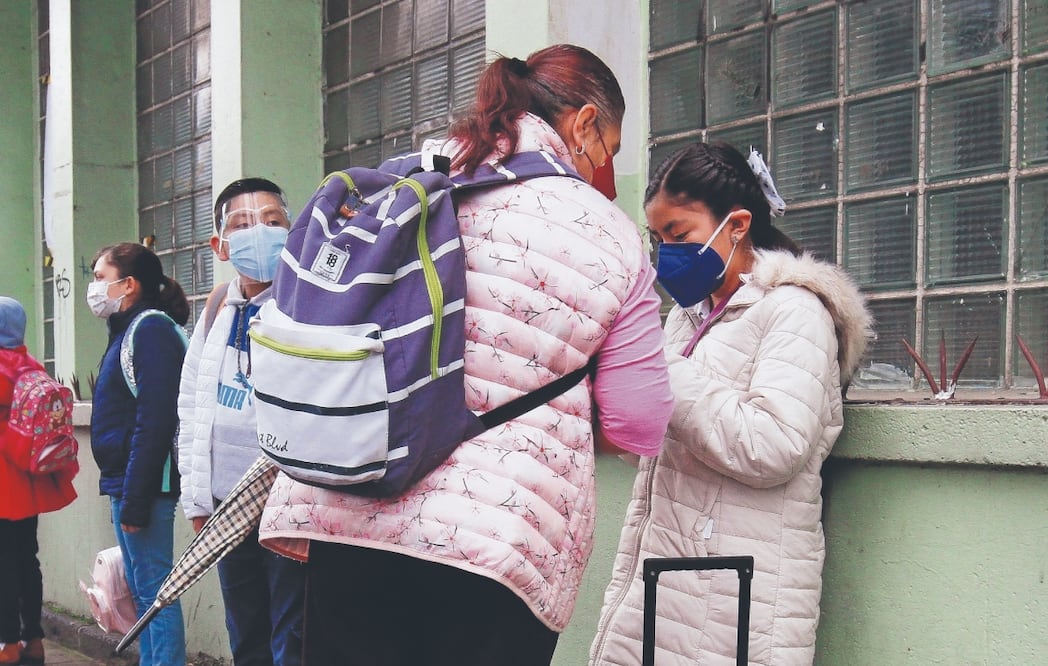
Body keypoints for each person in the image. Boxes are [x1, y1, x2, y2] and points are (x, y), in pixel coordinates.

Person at [258, 44, 674, 665]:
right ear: (584, 123)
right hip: (497, 542)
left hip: (347, 514)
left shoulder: (398, 182)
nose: (605, 166)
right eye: (608, 148)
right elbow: (637, 422)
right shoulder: (608, 233)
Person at [590, 142, 874, 666]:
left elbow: (774, 446)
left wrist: (661, 369)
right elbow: (664, 442)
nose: (666, 252)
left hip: (735, 595)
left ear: (737, 225)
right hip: (670, 574)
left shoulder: (794, 312)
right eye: (658, 238)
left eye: (679, 235)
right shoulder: (689, 316)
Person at [177, 178, 304, 666]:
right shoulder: (216, 309)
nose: (261, 232)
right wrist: (197, 499)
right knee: (246, 633)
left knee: (293, 635)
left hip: (287, 503)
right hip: (226, 507)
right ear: (221, 245)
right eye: (243, 224)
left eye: (273, 221)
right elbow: (192, 407)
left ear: (292, 232)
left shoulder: (308, 302)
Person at [88, 243, 189, 666]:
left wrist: (136, 497)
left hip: (146, 484)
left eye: (100, 278)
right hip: (126, 481)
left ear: (128, 284)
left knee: (155, 596)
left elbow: (156, 419)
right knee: (145, 597)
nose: (94, 288)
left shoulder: (150, 330)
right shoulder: (128, 330)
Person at [0, 297, 77, 666]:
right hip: (28, 475)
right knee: (27, 558)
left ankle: (7, 644)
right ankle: (33, 639)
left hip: (3, 476)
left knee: (2, 562)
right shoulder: (30, 365)